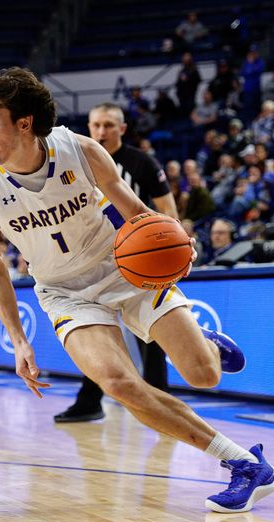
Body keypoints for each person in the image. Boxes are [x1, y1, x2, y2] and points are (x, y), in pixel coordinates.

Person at [0, 67, 274, 513]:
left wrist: (171, 243)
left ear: (24, 122)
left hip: (123, 269)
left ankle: (205, 344)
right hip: (62, 291)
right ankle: (244, 463)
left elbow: (134, 210)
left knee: (203, 376)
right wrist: (18, 340)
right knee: (118, 382)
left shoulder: (81, 150)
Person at [54, 103, 178, 423]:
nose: (101, 132)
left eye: (109, 125)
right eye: (95, 125)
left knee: (151, 335)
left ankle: (160, 399)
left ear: (122, 129)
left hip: (138, 259)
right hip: (94, 260)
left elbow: (169, 211)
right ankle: (90, 401)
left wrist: (164, 251)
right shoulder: (76, 161)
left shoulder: (142, 162)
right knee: (97, 335)